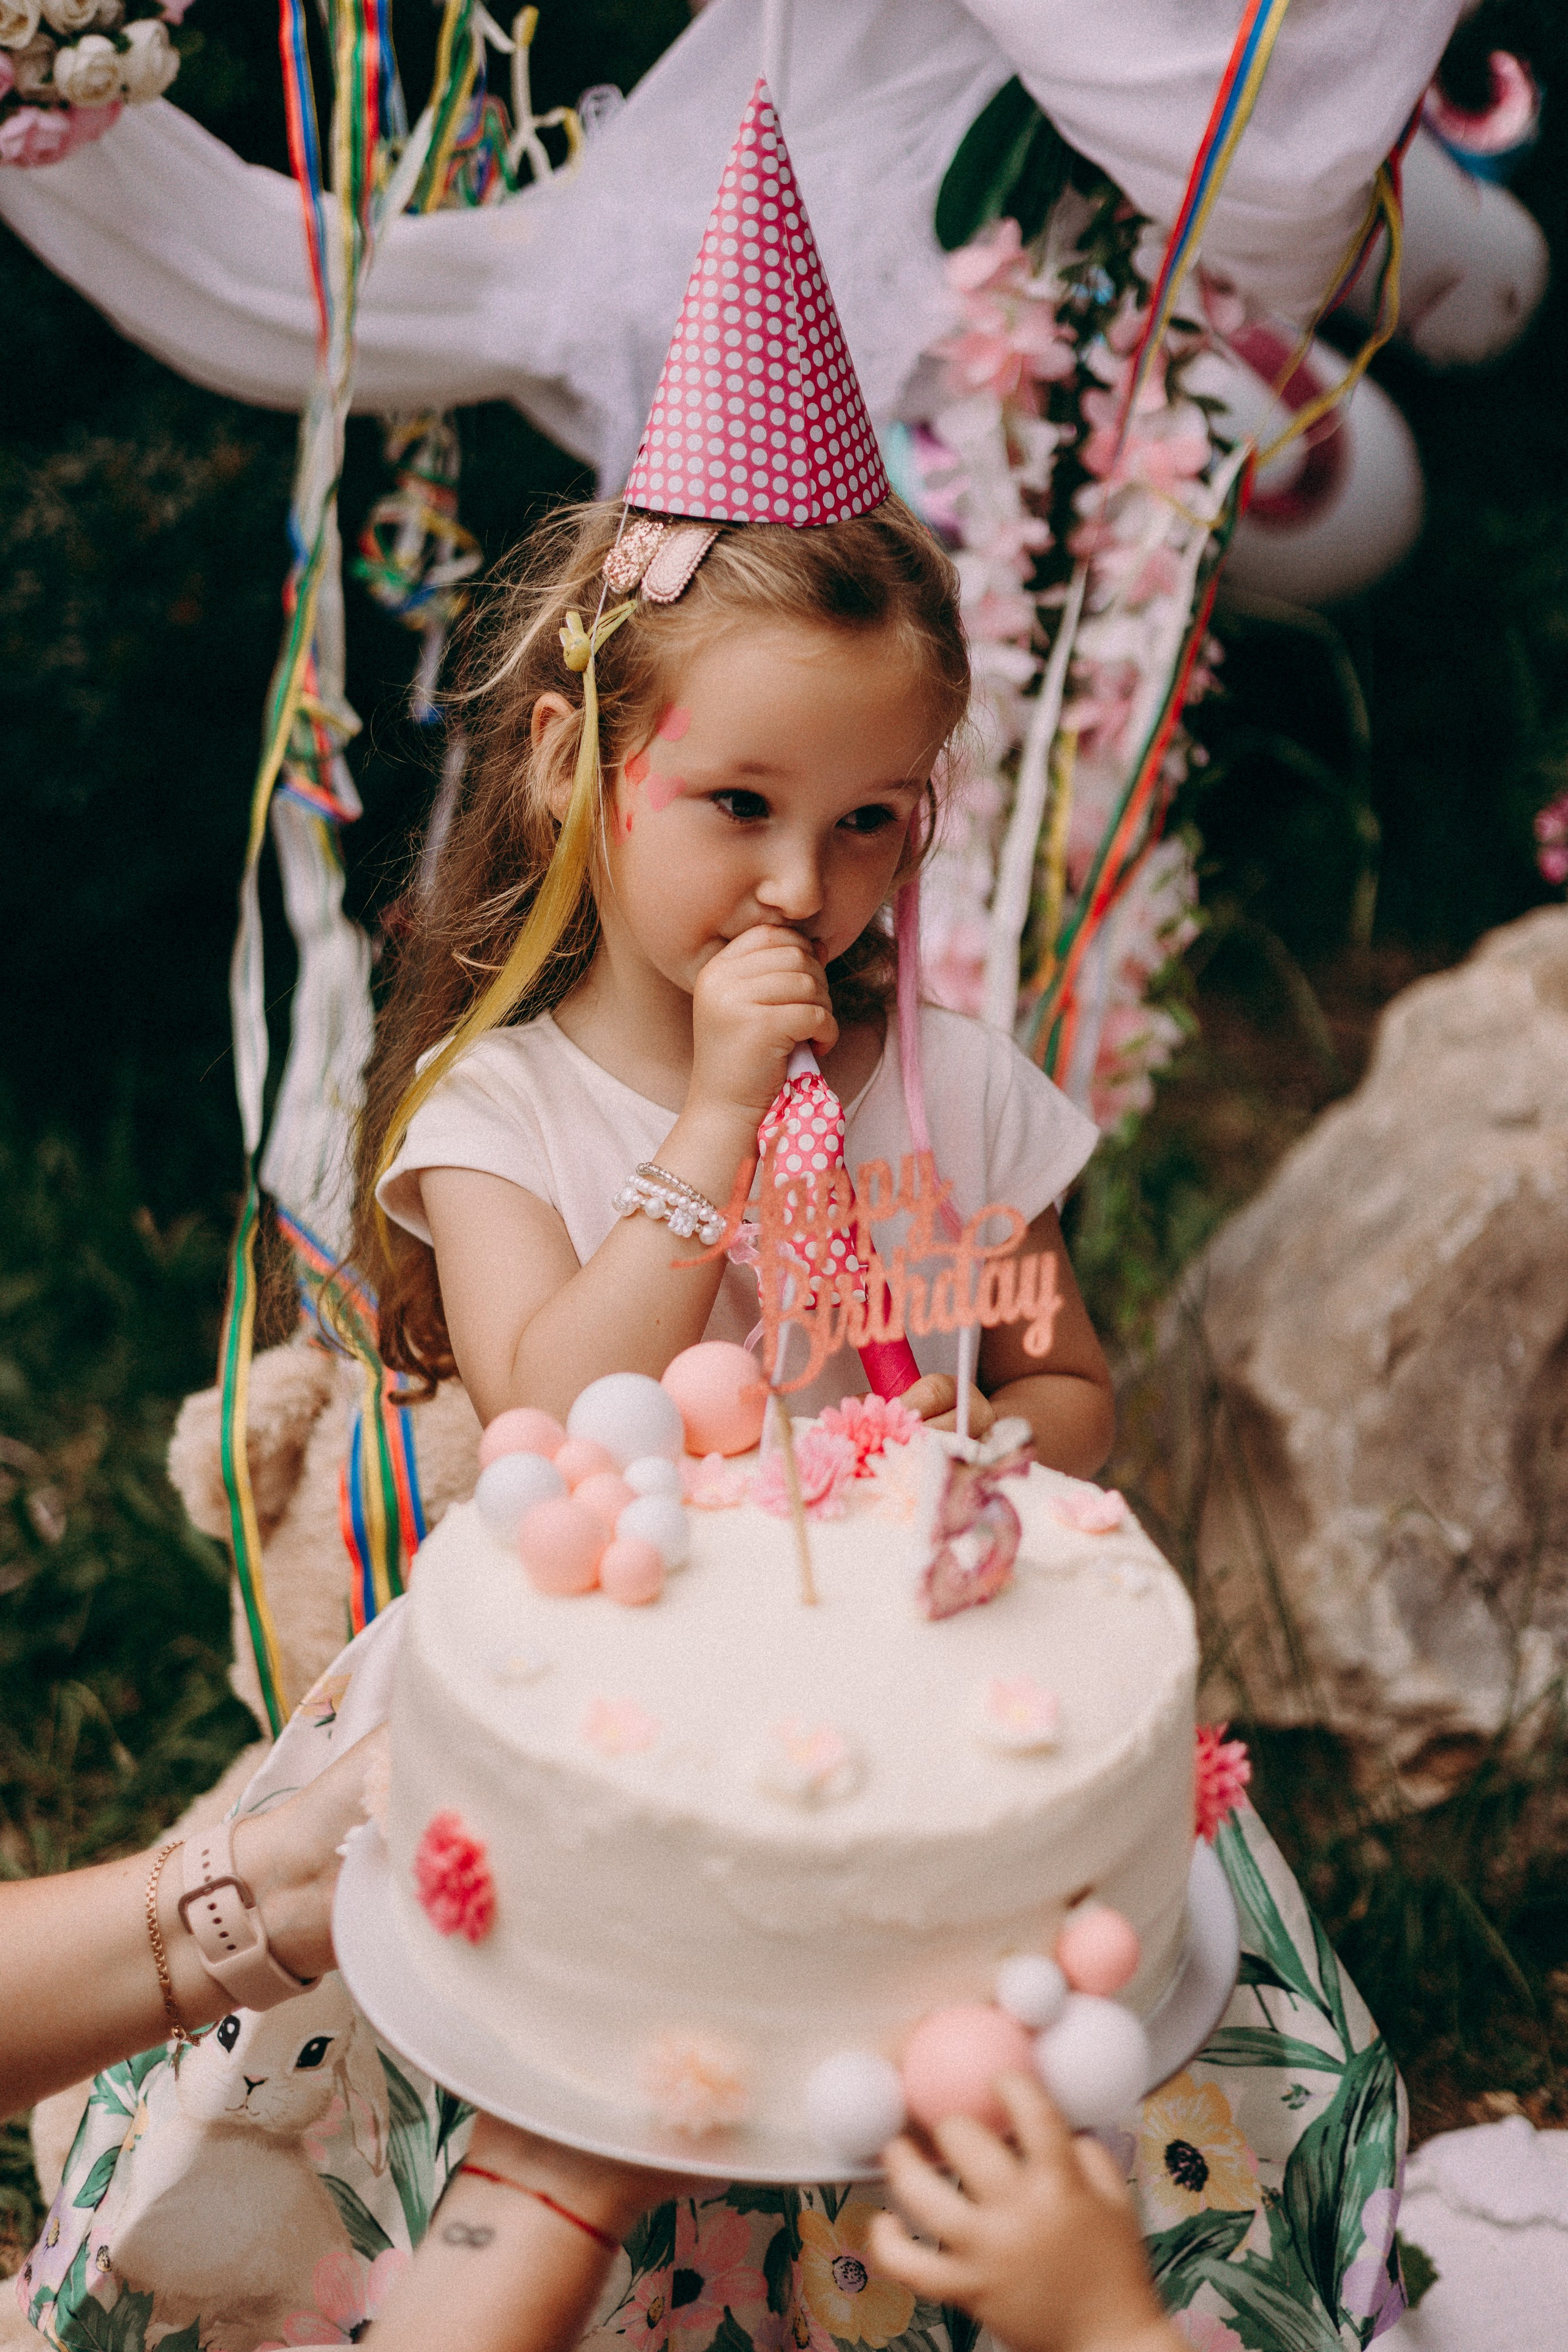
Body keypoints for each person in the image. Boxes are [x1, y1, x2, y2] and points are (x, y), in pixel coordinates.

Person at [361, 486, 1114, 1470]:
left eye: (867, 820)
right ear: (568, 762)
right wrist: (718, 1121)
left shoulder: (958, 1091)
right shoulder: (500, 1118)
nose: (802, 888)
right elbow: (550, 1425)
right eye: (741, 802)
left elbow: (1072, 1394)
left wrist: (989, 1442)